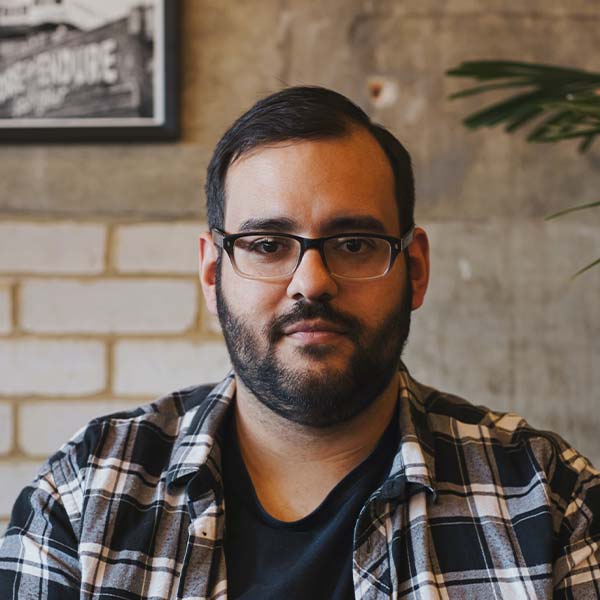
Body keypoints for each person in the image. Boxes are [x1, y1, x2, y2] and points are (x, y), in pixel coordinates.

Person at [1, 86, 598, 600]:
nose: (311, 283)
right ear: (212, 273)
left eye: (355, 243)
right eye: (267, 245)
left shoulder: (547, 498)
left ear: (414, 269)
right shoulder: (84, 496)